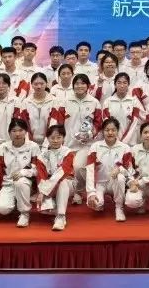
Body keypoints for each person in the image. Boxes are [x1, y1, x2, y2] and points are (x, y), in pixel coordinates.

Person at [49, 73, 100, 204]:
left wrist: (90, 134)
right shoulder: (65, 102)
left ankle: (79, 191)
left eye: (83, 83)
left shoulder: (94, 102)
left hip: (85, 144)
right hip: (67, 144)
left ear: (88, 86)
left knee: (78, 167)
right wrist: (59, 140)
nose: (79, 86)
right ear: (73, 85)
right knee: (64, 170)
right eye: (77, 83)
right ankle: (64, 192)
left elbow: (98, 123)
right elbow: (59, 122)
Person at [0, 118, 42, 227]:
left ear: (26, 131)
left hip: (27, 184)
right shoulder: (3, 148)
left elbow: (38, 170)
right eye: (14, 131)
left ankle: (24, 213)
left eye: (20, 130)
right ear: (9, 133)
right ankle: (16, 203)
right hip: (8, 184)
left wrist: (24, 172)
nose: (17, 134)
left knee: (20, 182)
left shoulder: (33, 147)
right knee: (3, 209)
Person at [85, 117, 132, 221]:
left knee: (120, 177)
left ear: (117, 131)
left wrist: (120, 169)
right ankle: (101, 201)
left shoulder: (125, 148)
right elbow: (90, 170)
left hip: (115, 182)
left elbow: (130, 169)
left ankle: (119, 207)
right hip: (100, 183)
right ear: (102, 131)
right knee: (95, 204)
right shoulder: (95, 147)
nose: (110, 133)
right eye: (107, 130)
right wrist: (91, 192)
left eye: (113, 130)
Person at [35, 124, 76, 231]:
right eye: (52, 138)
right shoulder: (42, 155)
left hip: (67, 184)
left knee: (63, 182)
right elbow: (41, 176)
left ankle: (61, 217)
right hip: (49, 187)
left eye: (59, 137)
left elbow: (61, 173)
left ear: (63, 138)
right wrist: (41, 191)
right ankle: (56, 207)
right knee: (44, 209)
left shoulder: (68, 153)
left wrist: (44, 192)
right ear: (47, 138)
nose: (55, 140)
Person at [100, 72, 145, 145]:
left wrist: (124, 142)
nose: (122, 85)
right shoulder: (107, 102)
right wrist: (116, 140)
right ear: (115, 84)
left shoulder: (134, 101)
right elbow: (107, 123)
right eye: (119, 83)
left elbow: (134, 123)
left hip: (130, 143)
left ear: (128, 85)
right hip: (112, 142)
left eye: (125, 83)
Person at [19, 72, 57, 145]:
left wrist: (48, 142)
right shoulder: (26, 102)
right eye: (35, 84)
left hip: (51, 143)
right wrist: (29, 143)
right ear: (31, 85)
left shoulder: (54, 101)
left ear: (46, 84)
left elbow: (55, 124)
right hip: (30, 143)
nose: (39, 86)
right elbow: (24, 125)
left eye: (42, 84)